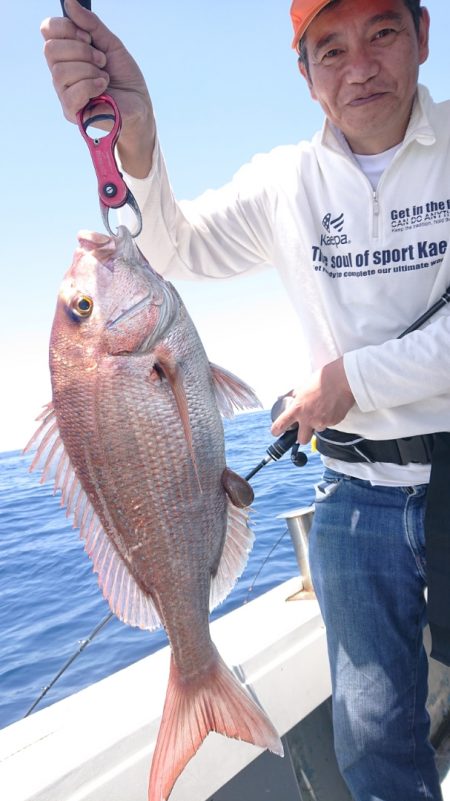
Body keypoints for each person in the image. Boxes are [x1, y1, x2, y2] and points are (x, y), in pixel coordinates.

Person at [41, 1, 450, 799]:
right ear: (304, 75)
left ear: (425, 34)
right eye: (329, 49)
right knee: (370, 745)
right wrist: (138, 134)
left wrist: (345, 384)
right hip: (354, 497)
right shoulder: (284, 183)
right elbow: (171, 246)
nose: (358, 65)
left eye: (383, 34)